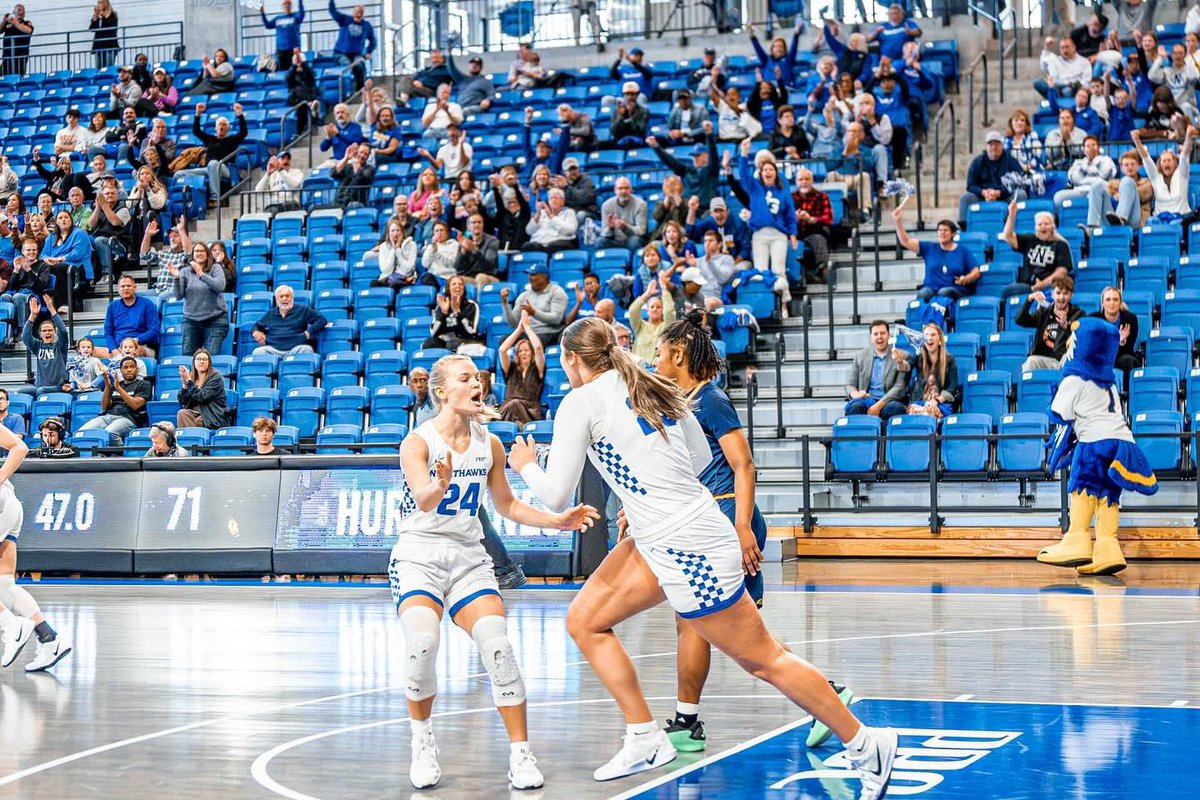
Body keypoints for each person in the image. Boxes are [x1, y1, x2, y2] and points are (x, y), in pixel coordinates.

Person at [508, 317, 897, 787]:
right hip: (671, 534)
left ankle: (865, 744)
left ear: (571, 359)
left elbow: (554, 495)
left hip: (687, 546)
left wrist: (527, 465)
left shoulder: (580, 402)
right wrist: (647, 495)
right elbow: (696, 459)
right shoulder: (651, 381)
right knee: (584, 620)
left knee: (762, 658)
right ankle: (643, 737)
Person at [651, 312, 856, 752]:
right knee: (702, 625)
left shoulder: (711, 400)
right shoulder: (682, 404)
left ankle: (827, 697)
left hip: (727, 520)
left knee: (734, 634)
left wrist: (742, 527)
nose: (654, 359)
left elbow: (744, 465)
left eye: (659, 351)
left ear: (680, 353)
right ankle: (688, 722)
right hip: (705, 521)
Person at [391, 354, 597, 790]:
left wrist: (554, 521)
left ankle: (521, 755)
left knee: (498, 647)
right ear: (443, 391)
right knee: (423, 644)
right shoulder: (418, 442)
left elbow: (505, 505)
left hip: (468, 556)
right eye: (466, 378)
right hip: (418, 556)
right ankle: (422, 740)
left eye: (479, 377)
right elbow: (424, 498)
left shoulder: (491, 443)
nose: (478, 383)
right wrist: (440, 483)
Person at [1038, 318, 1158, 575]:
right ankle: (1107, 547)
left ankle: (1077, 539)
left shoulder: (1075, 379)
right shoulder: (1110, 384)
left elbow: (1059, 412)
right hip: (1123, 442)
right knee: (1108, 496)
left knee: (1082, 487)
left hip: (1094, 442)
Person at [0, 423, 72, 671]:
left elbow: (19, 448)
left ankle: (9, 623)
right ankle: (49, 639)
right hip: (10, 504)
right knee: (5, 584)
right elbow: (19, 446)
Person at [739, 140, 797, 308]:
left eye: (771, 169)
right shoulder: (755, 188)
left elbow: (790, 215)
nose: (768, 172)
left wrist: (792, 233)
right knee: (761, 271)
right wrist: (744, 152)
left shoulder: (784, 192)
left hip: (778, 234)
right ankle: (767, 305)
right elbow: (743, 174)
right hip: (759, 234)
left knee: (778, 270)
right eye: (764, 170)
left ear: (776, 173)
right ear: (761, 173)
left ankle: (784, 304)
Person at [895, 210, 980, 303]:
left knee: (944, 292)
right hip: (931, 288)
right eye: (940, 230)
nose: (942, 233)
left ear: (953, 234)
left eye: (945, 230)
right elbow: (906, 242)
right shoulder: (929, 248)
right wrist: (897, 221)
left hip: (954, 289)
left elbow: (976, 272)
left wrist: (966, 279)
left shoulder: (962, 250)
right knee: (924, 293)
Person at [999, 200, 1073, 299]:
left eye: (1046, 224)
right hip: (1028, 285)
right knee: (1008, 291)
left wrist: (1043, 284)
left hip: (1051, 287)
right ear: (1036, 228)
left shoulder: (1061, 245)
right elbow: (1007, 236)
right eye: (1040, 224)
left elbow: (1061, 272)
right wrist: (1012, 214)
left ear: (1052, 227)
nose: (1043, 226)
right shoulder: (1030, 240)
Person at [171, 237, 228, 357]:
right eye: (196, 251)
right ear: (192, 255)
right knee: (187, 356)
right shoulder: (185, 272)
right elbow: (178, 295)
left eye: (202, 251)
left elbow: (220, 286)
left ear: (208, 255)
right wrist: (176, 279)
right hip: (191, 320)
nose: (199, 253)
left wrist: (201, 274)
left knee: (210, 357)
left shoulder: (215, 268)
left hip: (215, 320)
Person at [1016, 275, 1084, 372]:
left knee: (1067, 359)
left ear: (1071, 295)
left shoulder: (1078, 314)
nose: (1061, 297)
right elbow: (1020, 320)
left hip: (1064, 359)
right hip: (1044, 359)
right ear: (1052, 294)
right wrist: (1029, 299)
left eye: (1065, 293)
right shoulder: (1044, 312)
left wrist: (1066, 326)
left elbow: (1081, 340)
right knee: (1031, 361)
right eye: (1058, 293)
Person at [958, 131, 1026, 228]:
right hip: (983, 196)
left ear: (1002, 145)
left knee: (1021, 194)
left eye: (997, 144)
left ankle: (1018, 226)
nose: (994, 147)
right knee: (966, 197)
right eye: (991, 144)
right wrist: (983, 192)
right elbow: (970, 185)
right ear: (986, 146)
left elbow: (1020, 180)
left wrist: (1000, 192)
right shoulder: (977, 161)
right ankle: (964, 229)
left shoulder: (1010, 160)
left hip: (1005, 196)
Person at [188, 102, 248, 207]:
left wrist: (240, 115)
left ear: (228, 128)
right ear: (215, 128)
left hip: (225, 170)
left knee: (214, 163)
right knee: (179, 174)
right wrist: (197, 114)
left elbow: (243, 133)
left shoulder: (231, 139)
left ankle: (215, 198)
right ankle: (191, 202)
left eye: (224, 124)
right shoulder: (210, 139)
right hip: (209, 169)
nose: (221, 126)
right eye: (219, 124)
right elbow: (196, 131)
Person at [79, 355, 150, 444]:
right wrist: (108, 386)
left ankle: (121, 455)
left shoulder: (144, 384)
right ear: (121, 370)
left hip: (128, 418)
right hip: (108, 416)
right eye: (125, 367)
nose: (129, 370)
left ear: (137, 369)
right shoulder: (117, 384)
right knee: (82, 432)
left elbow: (135, 405)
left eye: (132, 367)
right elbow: (104, 407)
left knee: (109, 434)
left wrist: (119, 389)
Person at [845, 320, 908, 419]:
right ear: (871, 337)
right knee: (855, 407)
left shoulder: (902, 355)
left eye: (883, 333)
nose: (879, 336)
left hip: (888, 401)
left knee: (895, 408)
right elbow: (850, 385)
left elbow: (900, 387)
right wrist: (855, 394)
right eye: (875, 334)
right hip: (866, 399)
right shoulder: (860, 356)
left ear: (889, 335)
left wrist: (878, 405)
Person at [646, 125, 719, 209]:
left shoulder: (711, 169)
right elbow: (671, 162)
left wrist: (709, 134)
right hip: (688, 210)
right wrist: (656, 147)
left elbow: (713, 154)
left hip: (707, 209)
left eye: (698, 155)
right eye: (693, 156)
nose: (695, 158)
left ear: (706, 156)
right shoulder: (687, 170)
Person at [896, 322, 958, 419]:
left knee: (929, 413)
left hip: (940, 403)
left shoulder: (949, 359)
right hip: (919, 401)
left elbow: (952, 387)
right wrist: (900, 362)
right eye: (926, 335)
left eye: (933, 335)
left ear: (940, 339)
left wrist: (936, 401)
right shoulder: (919, 355)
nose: (929, 338)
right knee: (915, 412)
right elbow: (906, 367)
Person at [1053, 135, 1116, 226]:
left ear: (1098, 148)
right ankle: (1059, 224)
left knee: (1096, 186)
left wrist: (1093, 162)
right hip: (1080, 190)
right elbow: (1074, 179)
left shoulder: (1106, 160)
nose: (1091, 148)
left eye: (1093, 145)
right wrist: (1087, 164)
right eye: (1088, 146)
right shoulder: (1078, 163)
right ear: (1083, 149)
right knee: (1058, 196)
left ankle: (1094, 226)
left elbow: (1104, 175)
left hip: (1098, 190)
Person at [251, 285, 328, 356]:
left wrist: (309, 332)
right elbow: (256, 326)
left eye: (287, 296)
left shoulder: (303, 310)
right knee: (257, 352)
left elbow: (322, 320)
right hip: (274, 349)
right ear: (276, 299)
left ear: (292, 297)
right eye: (281, 296)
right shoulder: (271, 313)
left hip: (296, 348)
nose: (284, 299)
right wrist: (256, 332)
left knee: (307, 349)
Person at [500, 265, 568, 345]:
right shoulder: (524, 296)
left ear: (544, 276)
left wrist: (533, 312)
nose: (530, 277)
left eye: (534, 275)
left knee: (532, 343)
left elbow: (556, 319)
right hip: (529, 333)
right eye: (529, 275)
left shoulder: (556, 292)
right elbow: (514, 323)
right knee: (504, 341)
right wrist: (505, 303)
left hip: (549, 332)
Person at [497, 313, 545, 425]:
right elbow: (502, 350)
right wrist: (519, 329)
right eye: (520, 351)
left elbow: (538, 348)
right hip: (508, 408)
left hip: (529, 411)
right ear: (516, 354)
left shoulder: (537, 369)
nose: (523, 353)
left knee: (516, 404)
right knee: (513, 404)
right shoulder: (511, 368)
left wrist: (527, 328)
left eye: (526, 350)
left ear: (531, 353)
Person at [21, 299, 67, 397]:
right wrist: (32, 315)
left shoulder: (60, 346)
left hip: (57, 386)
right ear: (40, 333)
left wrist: (52, 309)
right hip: (39, 387)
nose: (47, 332)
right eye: (44, 330)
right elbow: (25, 337)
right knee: (21, 393)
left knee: (41, 391)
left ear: (54, 332)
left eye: (50, 330)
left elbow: (63, 331)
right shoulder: (37, 346)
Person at [176, 348, 230, 430]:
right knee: (182, 413)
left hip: (213, 413)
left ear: (209, 362)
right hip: (196, 412)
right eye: (198, 359)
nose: (201, 361)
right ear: (194, 362)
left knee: (198, 421)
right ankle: (191, 440)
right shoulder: (192, 376)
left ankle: (192, 440)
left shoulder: (215, 377)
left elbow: (202, 396)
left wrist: (189, 382)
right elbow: (183, 402)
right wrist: (184, 385)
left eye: (205, 359)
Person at [423, 275, 480, 351]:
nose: (458, 286)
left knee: (452, 343)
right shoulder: (441, 306)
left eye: (460, 284)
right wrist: (443, 314)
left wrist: (457, 312)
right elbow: (433, 333)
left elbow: (471, 331)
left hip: (465, 340)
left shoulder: (471, 306)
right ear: (449, 289)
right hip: (445, 341)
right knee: (429, 343)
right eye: (454, 284)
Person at [1091, 286, 1140, 373]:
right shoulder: (1094, 319)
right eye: (1108, 299)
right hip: (1100, 356)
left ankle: (1126, 386)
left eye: (1115, 299)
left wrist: (1122, 341)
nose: (1112, 303)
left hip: (1122, 356)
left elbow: (1128, 348)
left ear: (1120, 302)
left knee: (1127, 360)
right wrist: (1116, 340)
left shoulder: (1130, 319)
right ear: (1102, 302)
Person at [328, 0, 375, 91]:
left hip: (356, 54)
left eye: (361, 12)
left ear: (363, 13)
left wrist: (369, 51)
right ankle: (347, 90)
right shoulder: (345, 19)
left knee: (360, 65)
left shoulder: (366, 25)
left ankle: (360, 89)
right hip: (340, 53)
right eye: (357, 11)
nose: (358, 13)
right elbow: (333, 11)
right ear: (353, 12)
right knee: (348, 65)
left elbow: (373, 40)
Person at [628, 277, 677, 364]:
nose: (655, 309)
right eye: (652, 307)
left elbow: (669, 311)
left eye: (658, 307)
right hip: (638, 369)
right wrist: (647, 294)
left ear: (663, 310)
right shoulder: (640, 326)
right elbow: (633, 310)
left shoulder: (666, 327)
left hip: (656, 370)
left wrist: (664, 288)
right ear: (647, 311)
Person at [597, 178, 648, 251]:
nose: (624, 191)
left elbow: (641, 231)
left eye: (626, 188)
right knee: (599, 242)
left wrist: (625, 227)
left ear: (631, 189)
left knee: (635, 241)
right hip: (614, 240)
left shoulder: (640, 204)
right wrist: (610, 228)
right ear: (615, 190)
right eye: (620, 188)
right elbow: (604, 233)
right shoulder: (606, 205)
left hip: (631, 239)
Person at [261, 0, 305, 72]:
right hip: (281, 50)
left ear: (291, 6)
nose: (287, 6)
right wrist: (262, 13)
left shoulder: (295, 17)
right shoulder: (278, 19)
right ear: (282, 6)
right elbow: (268, 25)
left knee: (295, 71)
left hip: (293, 50)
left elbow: (302, 14)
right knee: (281, 71)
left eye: (288, 4)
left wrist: (300, 2)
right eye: (285, 4)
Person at [372, 221, 417, 290]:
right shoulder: (383, 246)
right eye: (392, 231)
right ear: (388, 233)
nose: (395, 233)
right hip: (388, 277)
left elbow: (408, 269)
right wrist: (393, 250)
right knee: (374, 283)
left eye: (398, 230)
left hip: (404, 277)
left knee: (394, 284)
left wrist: (398, 251)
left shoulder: (412, 245)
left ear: (402, 232)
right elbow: (385, 270)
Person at [0, 5, 33, 76]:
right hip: (7, 56)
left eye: (21, 10)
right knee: (3, 75)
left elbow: (28, 30)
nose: (20, 11)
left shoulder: (26, 23)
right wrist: (4, 21)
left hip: (19, 57)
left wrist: (15, 22)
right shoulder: (7, 24)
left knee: (17, 76)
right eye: (18, 9)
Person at [89, 0, 119, 69]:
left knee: (109, 66)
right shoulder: (98, 17)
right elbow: (92, 29)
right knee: (99, 68)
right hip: (98, 46)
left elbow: (111, 28)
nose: (99, 4)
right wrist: (95, 19)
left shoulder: (112, 15)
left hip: (110, 45)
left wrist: (103, 18)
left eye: (101, 2)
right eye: (98, 2)